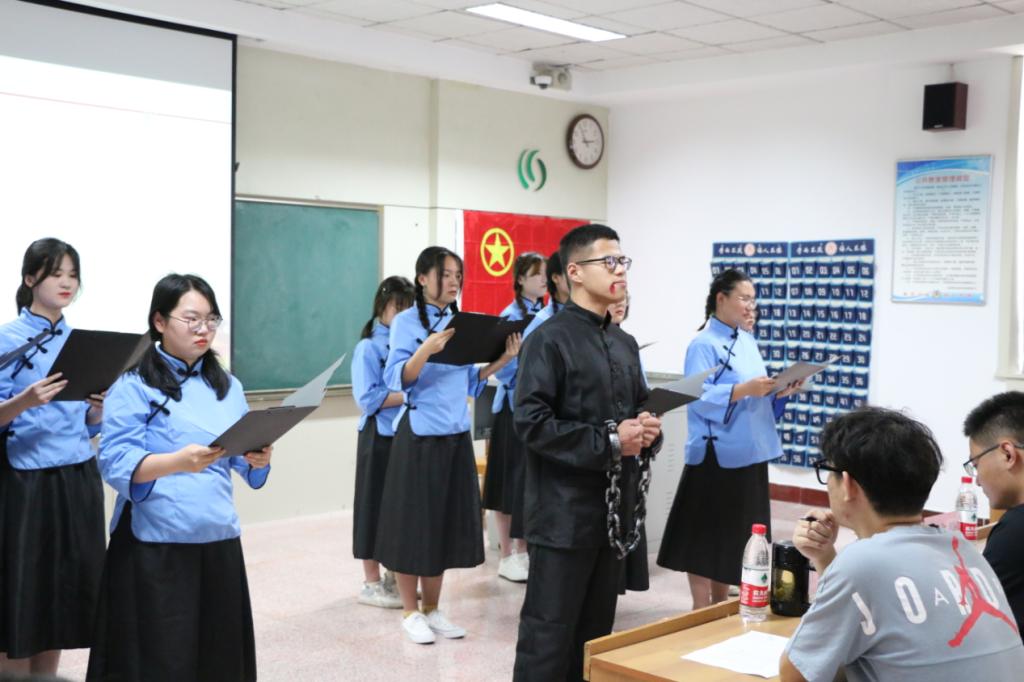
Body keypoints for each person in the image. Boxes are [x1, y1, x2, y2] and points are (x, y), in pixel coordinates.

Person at [87, 274, 272, 682]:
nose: (204, 329)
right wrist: (176, 462)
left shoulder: (229, 386)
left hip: (218, 534)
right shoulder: (133, 384)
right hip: (157, 544)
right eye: (191, 319)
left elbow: (240, 455)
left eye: (211, 319)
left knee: (218, 656)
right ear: (159, 321)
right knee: (162, 659)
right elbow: (115, 460)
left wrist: (257, 459)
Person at [512, 224, 662, 682]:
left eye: (623, 261)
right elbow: (531, 423)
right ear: (575, 272)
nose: (620, 271)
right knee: (548, 637)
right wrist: (612, 441)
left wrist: (648, 430)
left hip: (611, 517)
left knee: (594, 636)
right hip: (562, 517)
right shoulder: (549, 339)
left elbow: (639, 407)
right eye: (608, 262)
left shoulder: (623, 342)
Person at [781, 406, 1024, 681]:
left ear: (847, 484)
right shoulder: (963, 550)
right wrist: (825, 558)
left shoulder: (860, 562)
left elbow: (795, 674)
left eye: (828, 472)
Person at [373, 246, 520, 644]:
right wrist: (426, 349)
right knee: (413, 526)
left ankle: (433, 609)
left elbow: (469, 382)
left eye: (458, 275)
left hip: (455, 435)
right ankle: (410, 611)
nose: (455, 281)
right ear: (423, 278)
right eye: (446, 274)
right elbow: (397, 379)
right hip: (419, 436)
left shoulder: (460, 321)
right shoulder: (406, 322)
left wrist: (502, 361)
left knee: (440, 524)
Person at [657, 268, 799, 608]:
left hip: (750, 450)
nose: (750, 306)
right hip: (716, 454)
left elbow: (755, 395)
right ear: (721, 299)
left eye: (753, 299)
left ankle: (721, 603)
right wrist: (744, 389)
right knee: (704, 534)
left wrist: (779, 392)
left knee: (735, 535)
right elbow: (698, 397)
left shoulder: (747, 339)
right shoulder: (703, 344)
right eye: (744, 298)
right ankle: (699, 606)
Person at [0, 239, 105, 677]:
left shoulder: (81, 342)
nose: (67, 283)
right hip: (25, 481)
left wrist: (98, 408)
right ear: (30, 278)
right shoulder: (7, 338)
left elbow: (89, 424)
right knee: (20, 593)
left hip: (77, 476)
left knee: (62, 594)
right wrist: (24, 401)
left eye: (73, 275)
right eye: (56, 273)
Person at [351, 276, 414, 609]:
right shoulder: (368, 348)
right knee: (372, 507)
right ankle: (371, 582)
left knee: (398, 510)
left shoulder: (409, 345)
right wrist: (408, 395)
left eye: (408, 309)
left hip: (404, 434)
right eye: (397, 308)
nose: (403, 315)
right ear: (382, 307)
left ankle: (393, 577)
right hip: (377, 437)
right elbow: (368, 398)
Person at [483, 251, 545, 583]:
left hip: (537, 410)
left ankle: (524, 549)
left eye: (545, 273)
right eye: (536, 274)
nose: (543, 280)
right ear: (520, 279)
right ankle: (507, 554)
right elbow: (502, 370)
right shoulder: (511, 317)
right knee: (507, 483)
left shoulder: (546, 314)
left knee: (528, 483)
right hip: (512, 409)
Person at [963, 391, 1024, 637]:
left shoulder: (1015, 531)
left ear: (1008, 454)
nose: (977, 480)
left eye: (976, 464)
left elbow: (967, 612)